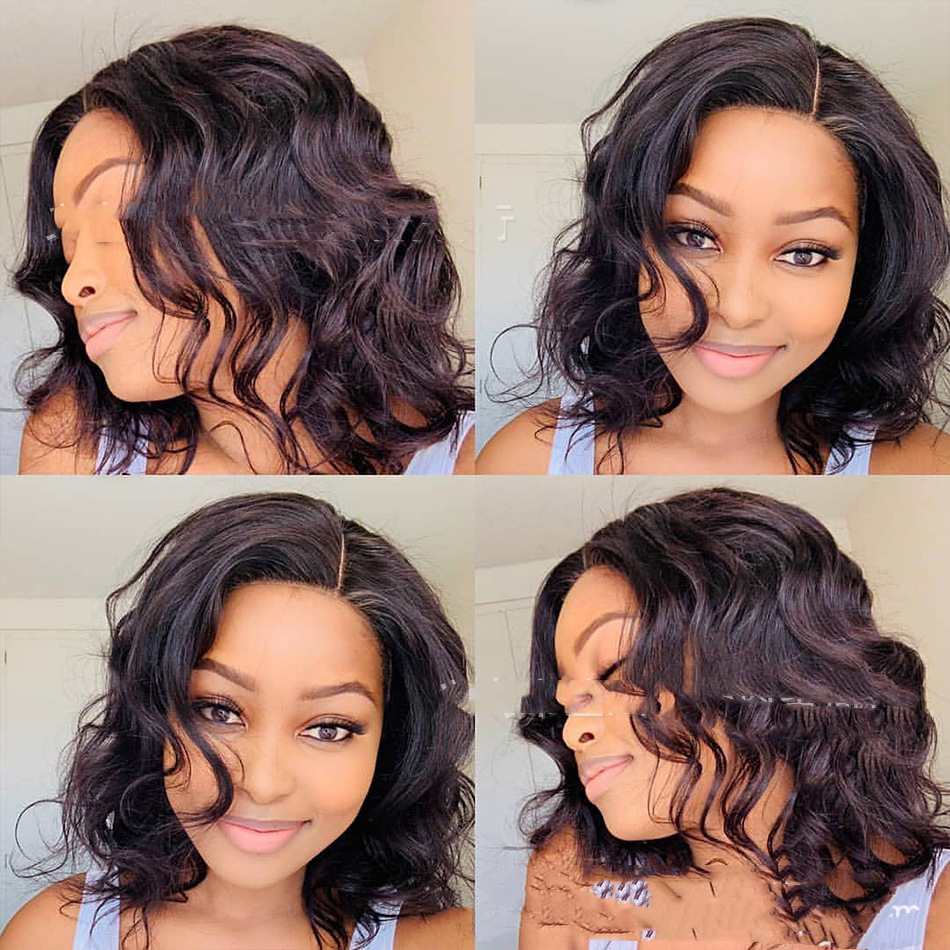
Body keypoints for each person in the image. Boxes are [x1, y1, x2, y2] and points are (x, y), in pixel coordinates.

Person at [478, 17, 950, 475]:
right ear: (630, 239)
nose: (738, 310)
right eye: (693, 236)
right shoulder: (529, 458)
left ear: (868, 270)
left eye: (803, 253)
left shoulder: (925, 468)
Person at [1, 493, 474, 949]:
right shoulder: (54, 934)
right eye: (219, 711)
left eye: (328, 728)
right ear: (155, 713)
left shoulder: (446, 940)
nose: (263, 786)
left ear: (392, 746)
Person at [15, 25, 474, 475]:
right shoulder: (74, 442)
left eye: (118, 216)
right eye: (70, 245)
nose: (73, 284)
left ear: (282, 203)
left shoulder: (471, 461)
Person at [517, 488, 950, 948]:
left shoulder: (931, 910)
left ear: (768, 659)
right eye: (571, 704)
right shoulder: (573, 891)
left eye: (615, 672)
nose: (573, 731)